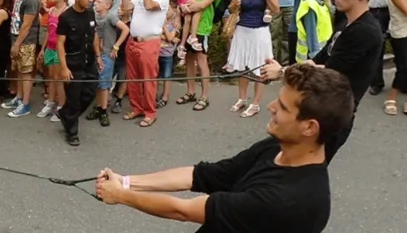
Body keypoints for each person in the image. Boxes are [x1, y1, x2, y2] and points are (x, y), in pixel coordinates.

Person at [96, 64, 354, 233]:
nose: (271, 106)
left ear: (309, 127)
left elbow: (183, 210)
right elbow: (204, 175)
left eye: (284, 107)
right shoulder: (276, 147)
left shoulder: (290, 200)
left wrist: (121, 196)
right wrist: (126, 182)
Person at [262, 0, 383, 163]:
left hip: (333, 118)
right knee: (286, 165)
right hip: (317, 110)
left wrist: (282, 71)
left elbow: (327, 73)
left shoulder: (365, 32)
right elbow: (319, 59)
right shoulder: (346, 24)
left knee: (303, 171)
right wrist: (283, 69)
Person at [56, 0, 98, 146]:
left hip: (90, 60)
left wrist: (99, 56)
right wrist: (64, 68)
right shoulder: (66, 17)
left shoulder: (90, 13)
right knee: (73, 99)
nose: (90, 0)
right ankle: (71, 132)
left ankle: (65, 113)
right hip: (73, 62)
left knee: (90, 92)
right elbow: (60, 43)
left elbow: (94, 35)